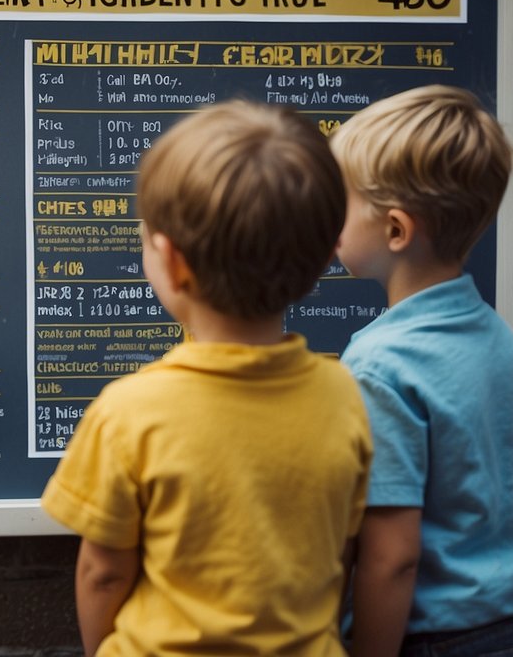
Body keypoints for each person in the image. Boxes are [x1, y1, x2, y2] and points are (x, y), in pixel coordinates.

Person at [41, 100, 373, 656]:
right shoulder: (344, 396)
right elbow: (339, 550)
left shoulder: (128, 411)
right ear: (321, 261)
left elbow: (102, 572)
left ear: (170, 262)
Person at [329, 85, 513, 656]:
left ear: (394, 231)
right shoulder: (498, 336)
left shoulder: (379, 367)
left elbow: (391, 556)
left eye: (340, 200)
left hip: (433, 635)